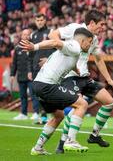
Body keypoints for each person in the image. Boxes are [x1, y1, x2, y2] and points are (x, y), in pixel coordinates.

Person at [48, 10, 113, 153]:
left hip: (84, 77)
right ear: (92, 23)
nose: (103, 28)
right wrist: (63, 49)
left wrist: (110, 80)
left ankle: (94, 135)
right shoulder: (74, 28)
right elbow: (52, 35)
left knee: (110, 102)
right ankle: (66, 142)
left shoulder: (93, 38)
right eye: (101, 24)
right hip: (69, 76)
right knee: (79, 107)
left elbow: (99, 59)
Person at [20, 27, 94, 155]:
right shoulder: (74, 46)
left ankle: (38, 148)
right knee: (82, 104)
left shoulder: (76, 52)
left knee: (59, 116)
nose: (91, 44)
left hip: (38, 85)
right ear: (82, 41)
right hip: (47, 85)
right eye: (90, 41)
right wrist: (34, 47)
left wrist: (79, 72)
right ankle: (70, 141)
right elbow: (55, 42)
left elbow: (72, 64)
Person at [28, 13, 56, 122]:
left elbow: (58, 49)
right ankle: (43, 116)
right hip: (35, 69)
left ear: (45, 21)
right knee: (38, 93)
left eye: (41, 20)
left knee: (49, 92)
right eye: (37, 20)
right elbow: (30, 55)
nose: (39, 22)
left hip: (49, 68)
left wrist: (47, 60)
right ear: (35, 22)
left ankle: (53, 114)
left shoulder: (51, 32)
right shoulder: (33, 35)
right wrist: (30, 70)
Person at [10, 29, 39, 120]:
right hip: (21, 76)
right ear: (21, 36)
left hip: (31, 76)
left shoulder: (33, 47)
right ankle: (23, 113)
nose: (25, 36)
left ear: (30, 36)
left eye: (27, 34)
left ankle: (36, 113)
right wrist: (12, 75)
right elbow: (14, 63)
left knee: (33, 94)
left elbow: (34, 61)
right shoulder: (17, 48)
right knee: (22, 96)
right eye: (24, 34)